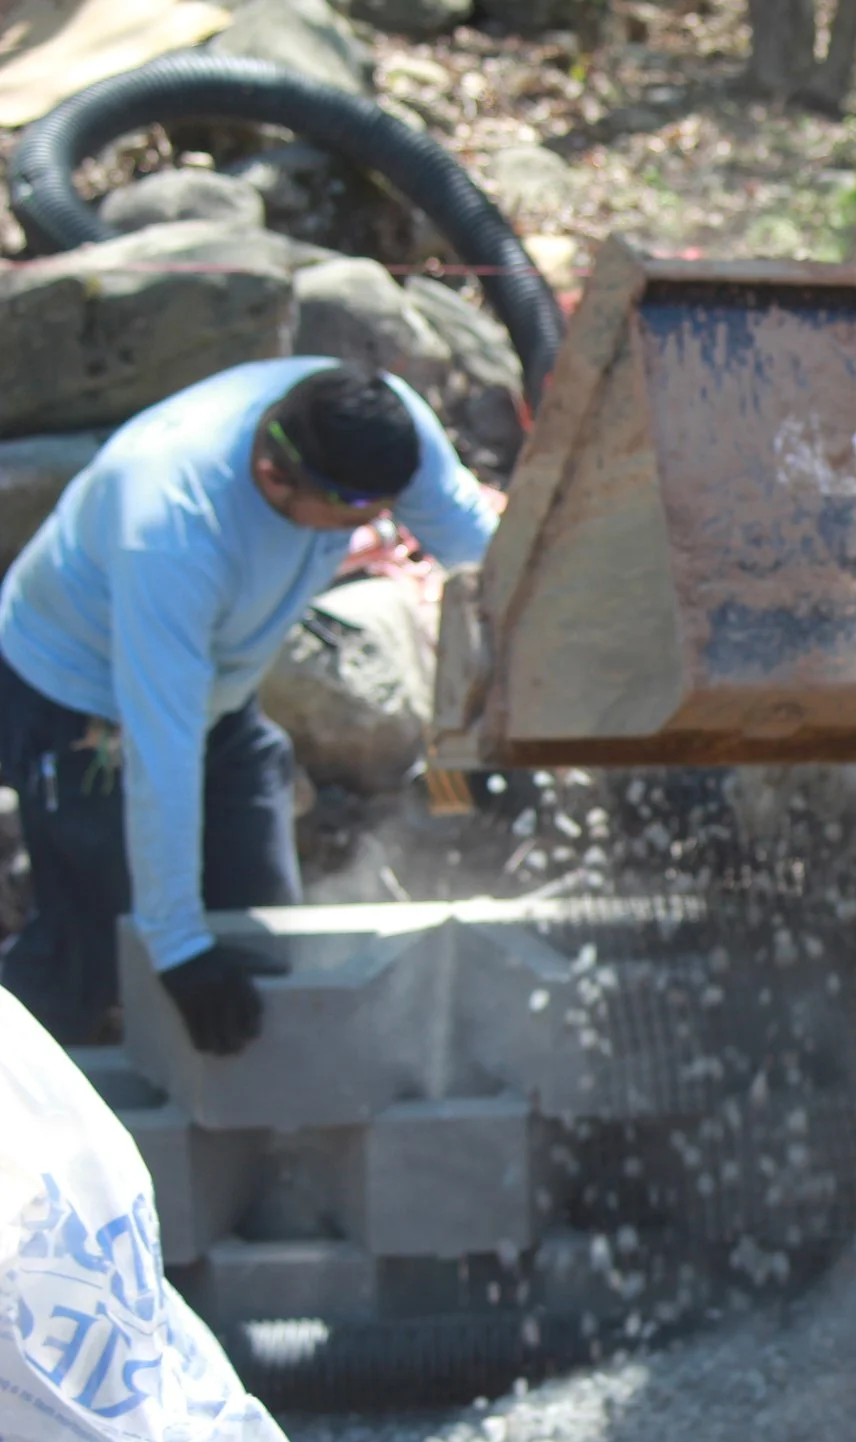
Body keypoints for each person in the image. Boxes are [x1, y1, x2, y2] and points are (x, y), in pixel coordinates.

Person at [0, 359, 502, 1055]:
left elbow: (488, 564)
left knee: (261, 935)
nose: (386, 526)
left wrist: (518, 724)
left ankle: (252, 1145)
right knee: (91, 953)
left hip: (218, 691)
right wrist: (176, 947)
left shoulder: (372, 421)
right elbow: (162, 745)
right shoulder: (172, 527)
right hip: (82, 699)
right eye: (363, 517)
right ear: (274, 477)